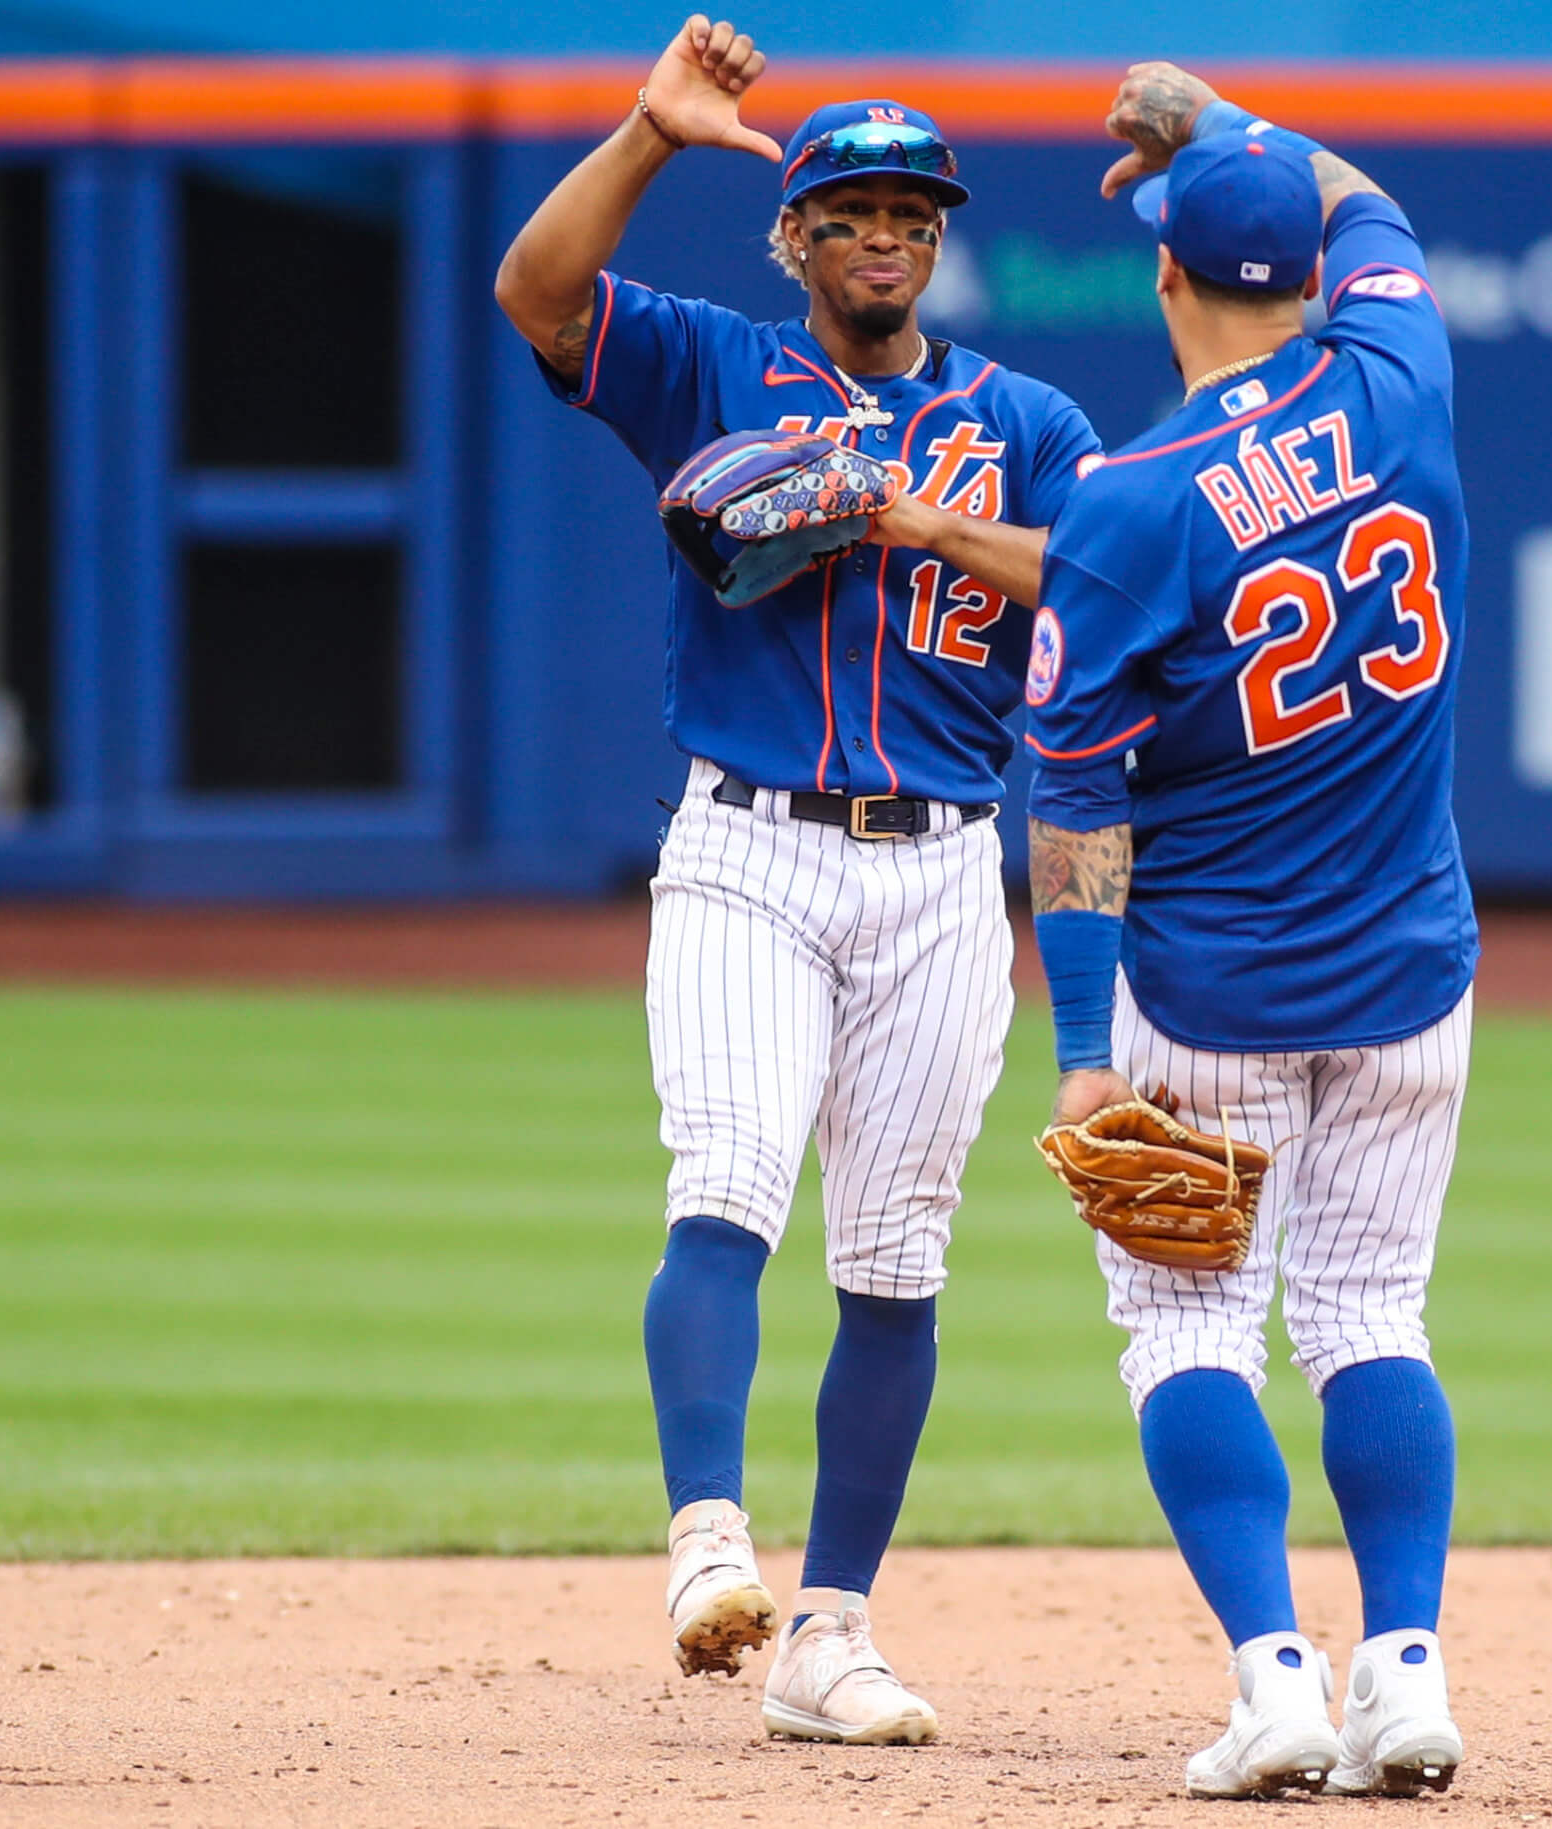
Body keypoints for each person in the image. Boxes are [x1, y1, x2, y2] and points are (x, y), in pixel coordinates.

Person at [494, 16, 1101, 1746]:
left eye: (913, 208)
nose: (885, 233)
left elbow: (1109, 573)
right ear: (796, 239)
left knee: (899, 1258)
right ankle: (706, 1539)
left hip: (939, 872)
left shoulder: (1027, 419)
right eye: (847, 210)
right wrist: (646, 133)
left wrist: (918, 517)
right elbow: (537, 295)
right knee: (732, 1175)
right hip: (748, 846)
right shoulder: (707, 364)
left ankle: (830, 1631)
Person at [1023, 63, 1479, 1800]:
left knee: (1191, 1332)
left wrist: (1077, 1051)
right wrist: (1230, 128)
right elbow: (1375, 215)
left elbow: (1072, 803)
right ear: (1306, 275)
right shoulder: (1400, 378)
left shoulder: (1128, 504)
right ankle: (1409, 1668)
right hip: (1411, 970)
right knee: (1376, 1312)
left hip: (1208, 991)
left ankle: (1278, 1682)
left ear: (1165, 277)